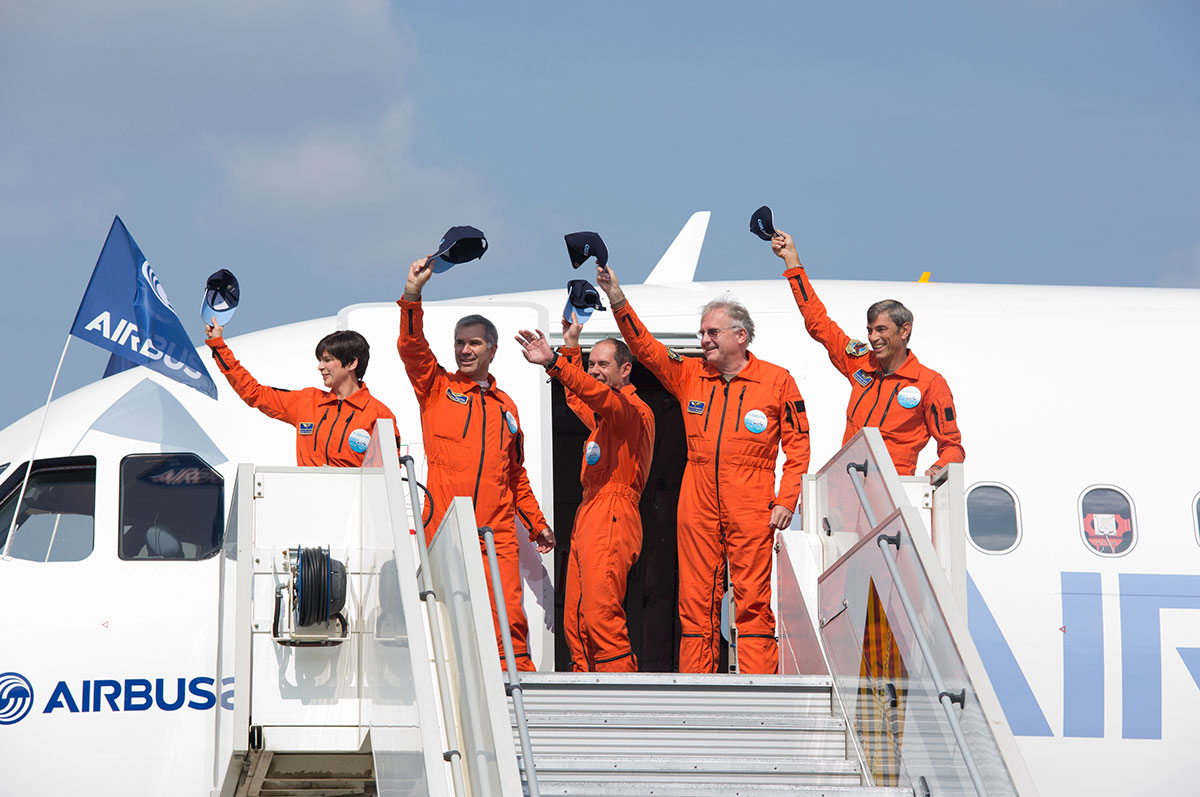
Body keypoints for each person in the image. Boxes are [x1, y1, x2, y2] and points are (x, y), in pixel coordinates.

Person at [595, 265, 810, 675]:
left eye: (712, 332)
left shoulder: (776, 381)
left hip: (751, 497)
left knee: (751, 598)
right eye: (702, 333)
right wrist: (617, 299)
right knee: (694, 599)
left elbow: (798, 445)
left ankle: (760, 686)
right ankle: (698, 686)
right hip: (697, 499)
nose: (704, 340)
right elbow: (644, 347)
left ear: (740, 336)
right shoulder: (690, 374)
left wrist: (787, 499)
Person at [397, 256, 554, 672]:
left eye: (474, 344)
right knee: (445, 614)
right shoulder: (436, 387)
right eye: (459, 344)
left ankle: (520, 686)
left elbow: (515, 476)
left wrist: (536, 524)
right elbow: (412, 348)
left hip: (496, 531)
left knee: (509, 616)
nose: (465, 351)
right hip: (446, 524)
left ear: (492, 350)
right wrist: (412, 294)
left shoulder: (506, 407)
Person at [514, 319, 655, 672]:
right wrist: (572, 347)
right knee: (576, 619)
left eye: (602, 364)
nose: (594, 371)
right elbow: (579, 398)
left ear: (625, 370)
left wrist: (555, 362)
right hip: (591, 511)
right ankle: (585, 684)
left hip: (613, 511)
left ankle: (621, 692)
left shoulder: (629, 411)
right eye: (591, 365)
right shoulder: (605, 421)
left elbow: (595, 395)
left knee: (600, 614)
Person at [771, 231, 964, 479]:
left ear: (905, 330)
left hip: (891, 492)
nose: (873, 338)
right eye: (870, 330)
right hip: (847, 487)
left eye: (881, 330)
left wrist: (937, 469)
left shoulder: (929, 384)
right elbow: (818, 322)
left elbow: (952, 447)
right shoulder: (861, 364)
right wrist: (792, 262)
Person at [205, 320, 399, 466]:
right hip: (307, 503)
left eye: (327, 360)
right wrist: (218, 346)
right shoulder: (307, 401)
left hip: (355, 507)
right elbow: (254, 393)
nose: (320, 367)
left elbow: (386, 478)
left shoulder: (380, 415)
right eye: (320, 360)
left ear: (351, 363)